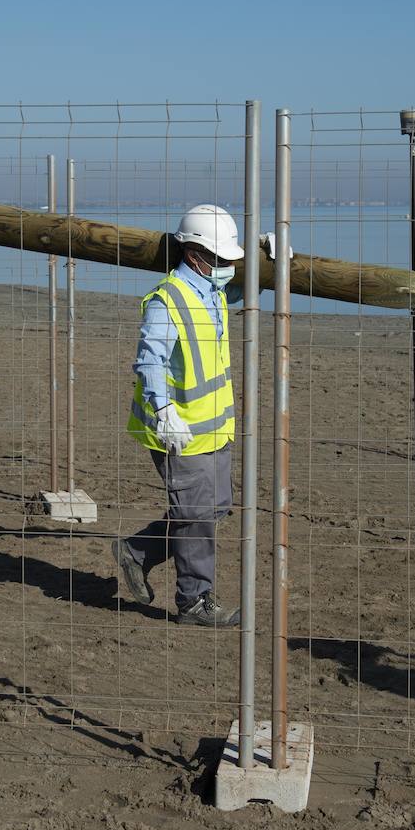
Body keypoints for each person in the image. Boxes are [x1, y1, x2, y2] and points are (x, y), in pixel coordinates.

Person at [113, 204, 284, 626]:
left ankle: (138, 551)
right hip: (180, 431)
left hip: (215, 428)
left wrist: (266, 256)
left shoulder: (211, 291)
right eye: (222, 258)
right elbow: (150, 361)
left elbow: (240, 290)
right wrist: (165, 410)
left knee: (217, 507)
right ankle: (194, 601)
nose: (228, 265)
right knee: (195, 518)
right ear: (195, 256)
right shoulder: (166, 299)